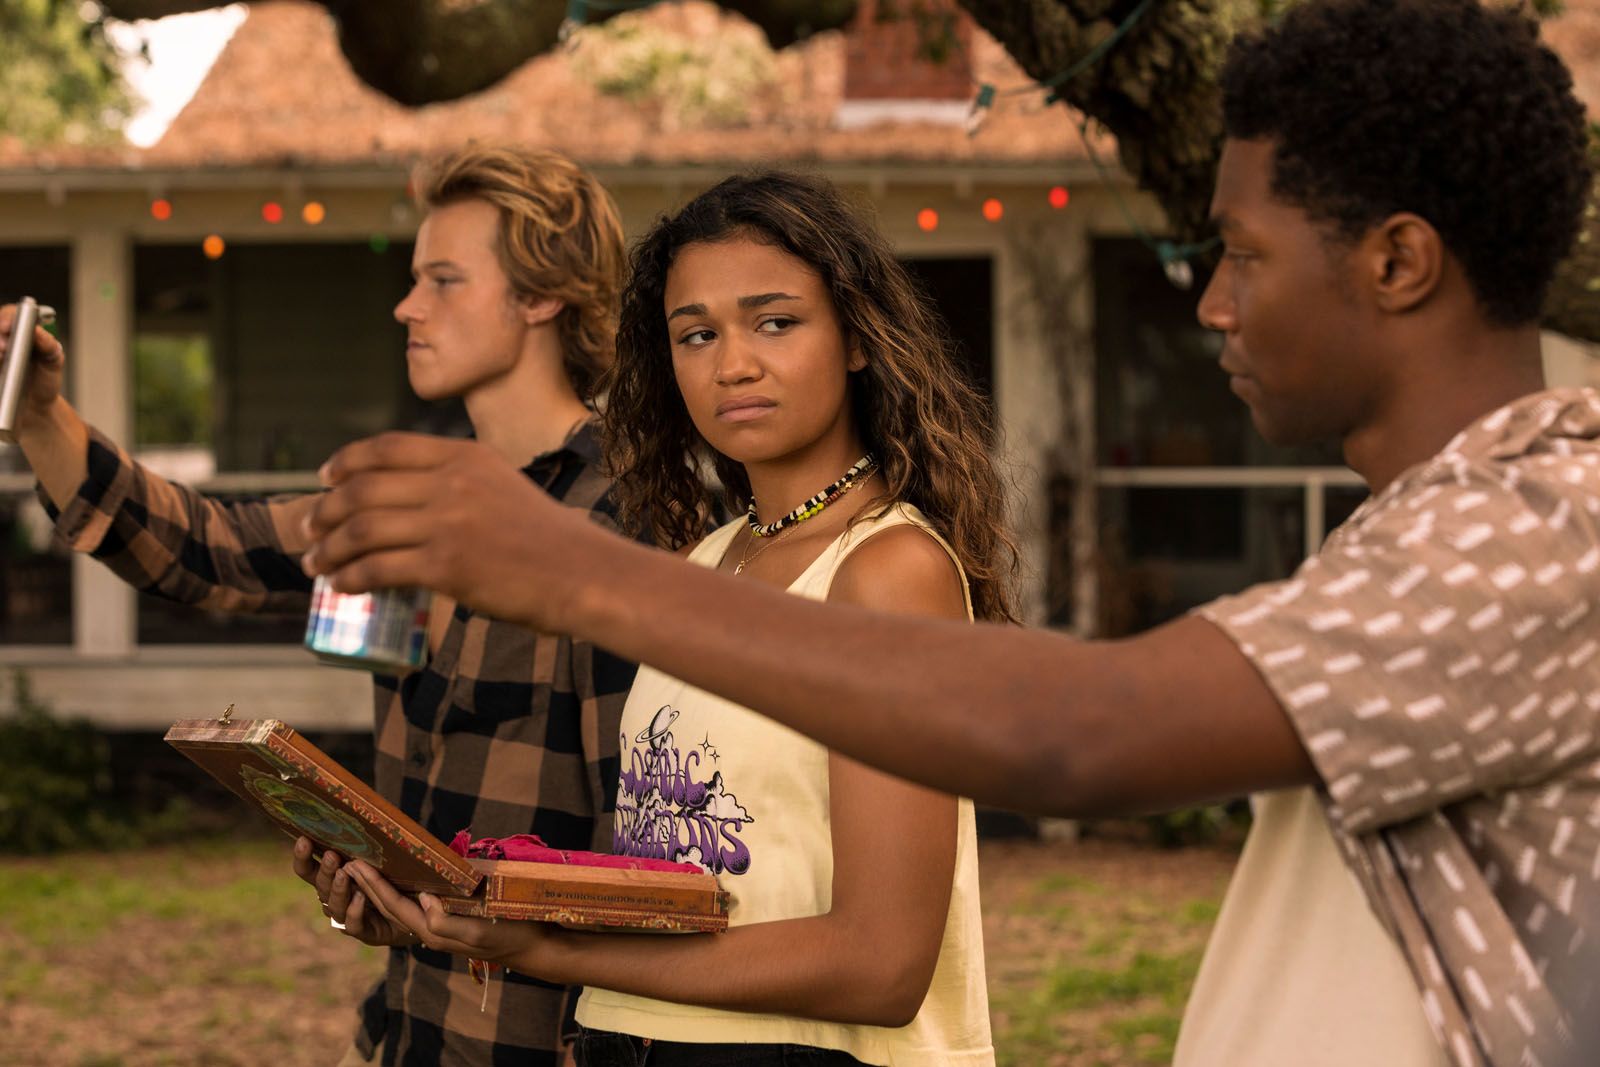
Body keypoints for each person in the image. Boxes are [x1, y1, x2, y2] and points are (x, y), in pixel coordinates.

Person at [300, 1, 1599, 1064]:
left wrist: (571, 567)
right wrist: (518, 922)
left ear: (1397, 262)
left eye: (1243, 253)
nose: (1209, 302)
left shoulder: (1534, 530)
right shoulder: (1432, 525)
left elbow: (1083, 735)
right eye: (695, 333)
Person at [348, 170, 1017, 1066]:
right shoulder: (713, 558)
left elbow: (883, 964)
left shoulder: (887, 570)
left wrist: (550, 953)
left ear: (857, 336)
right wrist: (453, 901)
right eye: (697, 334)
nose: (732, 364)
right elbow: (679, 874)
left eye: (775, 322)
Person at [3, 143, 638, 1066]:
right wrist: (39, 415)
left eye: (443, 280)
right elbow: (202, 548)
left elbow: (641, 867)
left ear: (543, 296)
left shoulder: (621, 523)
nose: (406, 306)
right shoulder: (406, 501)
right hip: (400, 1034)